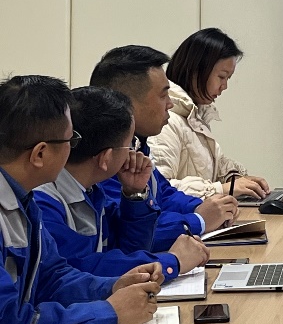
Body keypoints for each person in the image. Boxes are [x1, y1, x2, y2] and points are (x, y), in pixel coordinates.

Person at [0, 75, 163, 324]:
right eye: (71, 140)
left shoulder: (22, 198)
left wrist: (112, 287)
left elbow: (52, 278)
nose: (73, 149)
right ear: (40, 154)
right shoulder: (30, 200)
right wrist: (109, 313)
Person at [35, 86, 210, 280]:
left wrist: (134, 196)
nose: (133, 152)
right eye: (130, 144)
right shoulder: (43, 201)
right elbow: (82, 269)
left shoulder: (91, 189)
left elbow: (128, 249)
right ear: (106, 158)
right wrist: (171, 261)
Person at [90, 46, 239, 251]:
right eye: (163, 96)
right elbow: (129, 234)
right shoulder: (104, 159)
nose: (170, 104)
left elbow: (165, 195)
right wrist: (198, 220)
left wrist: (207, 207)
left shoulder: (137, 145)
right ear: (127, 105)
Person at [148, 28, 269, 200]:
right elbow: (159, 190)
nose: (224, 86)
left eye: (228, 78)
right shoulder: (166, 122)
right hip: (187, 217)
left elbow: (212, 166)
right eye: (222, 77)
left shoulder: (194, 116)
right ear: (196, 71)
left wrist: (234, 178)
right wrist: (221, 189)